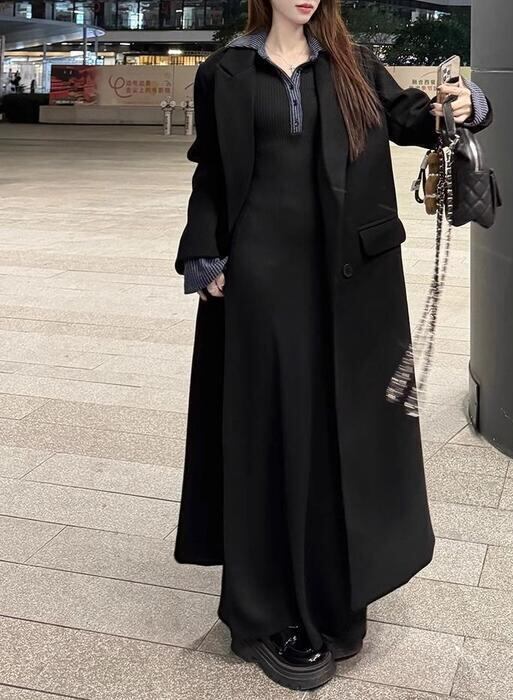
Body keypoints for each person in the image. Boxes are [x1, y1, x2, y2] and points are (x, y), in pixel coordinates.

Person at [173, 0, 493, 692]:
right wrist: (204, 253)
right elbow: (211, 171)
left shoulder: (353, 66)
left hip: (349, 288)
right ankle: (262, 614)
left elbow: (418, 119)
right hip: (260, 288)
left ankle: (333, 597)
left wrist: (466, 104)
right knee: (268, 440)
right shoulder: (225, 72)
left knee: (336, 439)